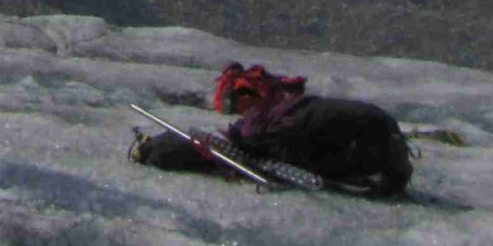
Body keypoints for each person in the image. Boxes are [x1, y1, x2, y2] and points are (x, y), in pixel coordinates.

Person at [129, 63, 414, 196]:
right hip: (389, 156)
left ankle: (154, 149)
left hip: (369, 155)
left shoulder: (273, 123)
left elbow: (248, 145)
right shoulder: (292, 107)